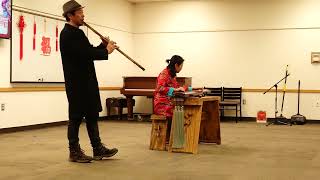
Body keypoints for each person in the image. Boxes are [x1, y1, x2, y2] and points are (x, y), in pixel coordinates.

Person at [60, 0, 118, 163]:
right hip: (77, 84)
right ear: (70, 15)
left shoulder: (77, 33)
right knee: (76, 117)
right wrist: (106, 51)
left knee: (92, 115)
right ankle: (74, 151)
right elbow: (85, 54)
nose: (83, 15)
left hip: (87, 82)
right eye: (79, 12)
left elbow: (88, 51)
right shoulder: (68, 34)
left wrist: (102, 45)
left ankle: (97, 148)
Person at [153, 55, 192, 140]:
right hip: (161, 104)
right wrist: (175, 89)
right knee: (178, 111)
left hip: (168, 102)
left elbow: (177, 87)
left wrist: (190, 88)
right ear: (176, 65)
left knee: (183, 110)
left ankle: (177, 136)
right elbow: (159, 88)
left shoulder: (172, 74)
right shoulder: (164, 73)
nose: (181, 68)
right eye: (181, 66)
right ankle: (171, 137)